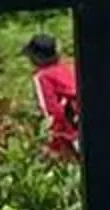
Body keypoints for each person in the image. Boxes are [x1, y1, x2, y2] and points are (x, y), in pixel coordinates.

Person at [23, 32, 81, 160]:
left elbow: (52, 112)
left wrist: (55, 146)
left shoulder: (42, 77)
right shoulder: (69, 67)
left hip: (72, 134)